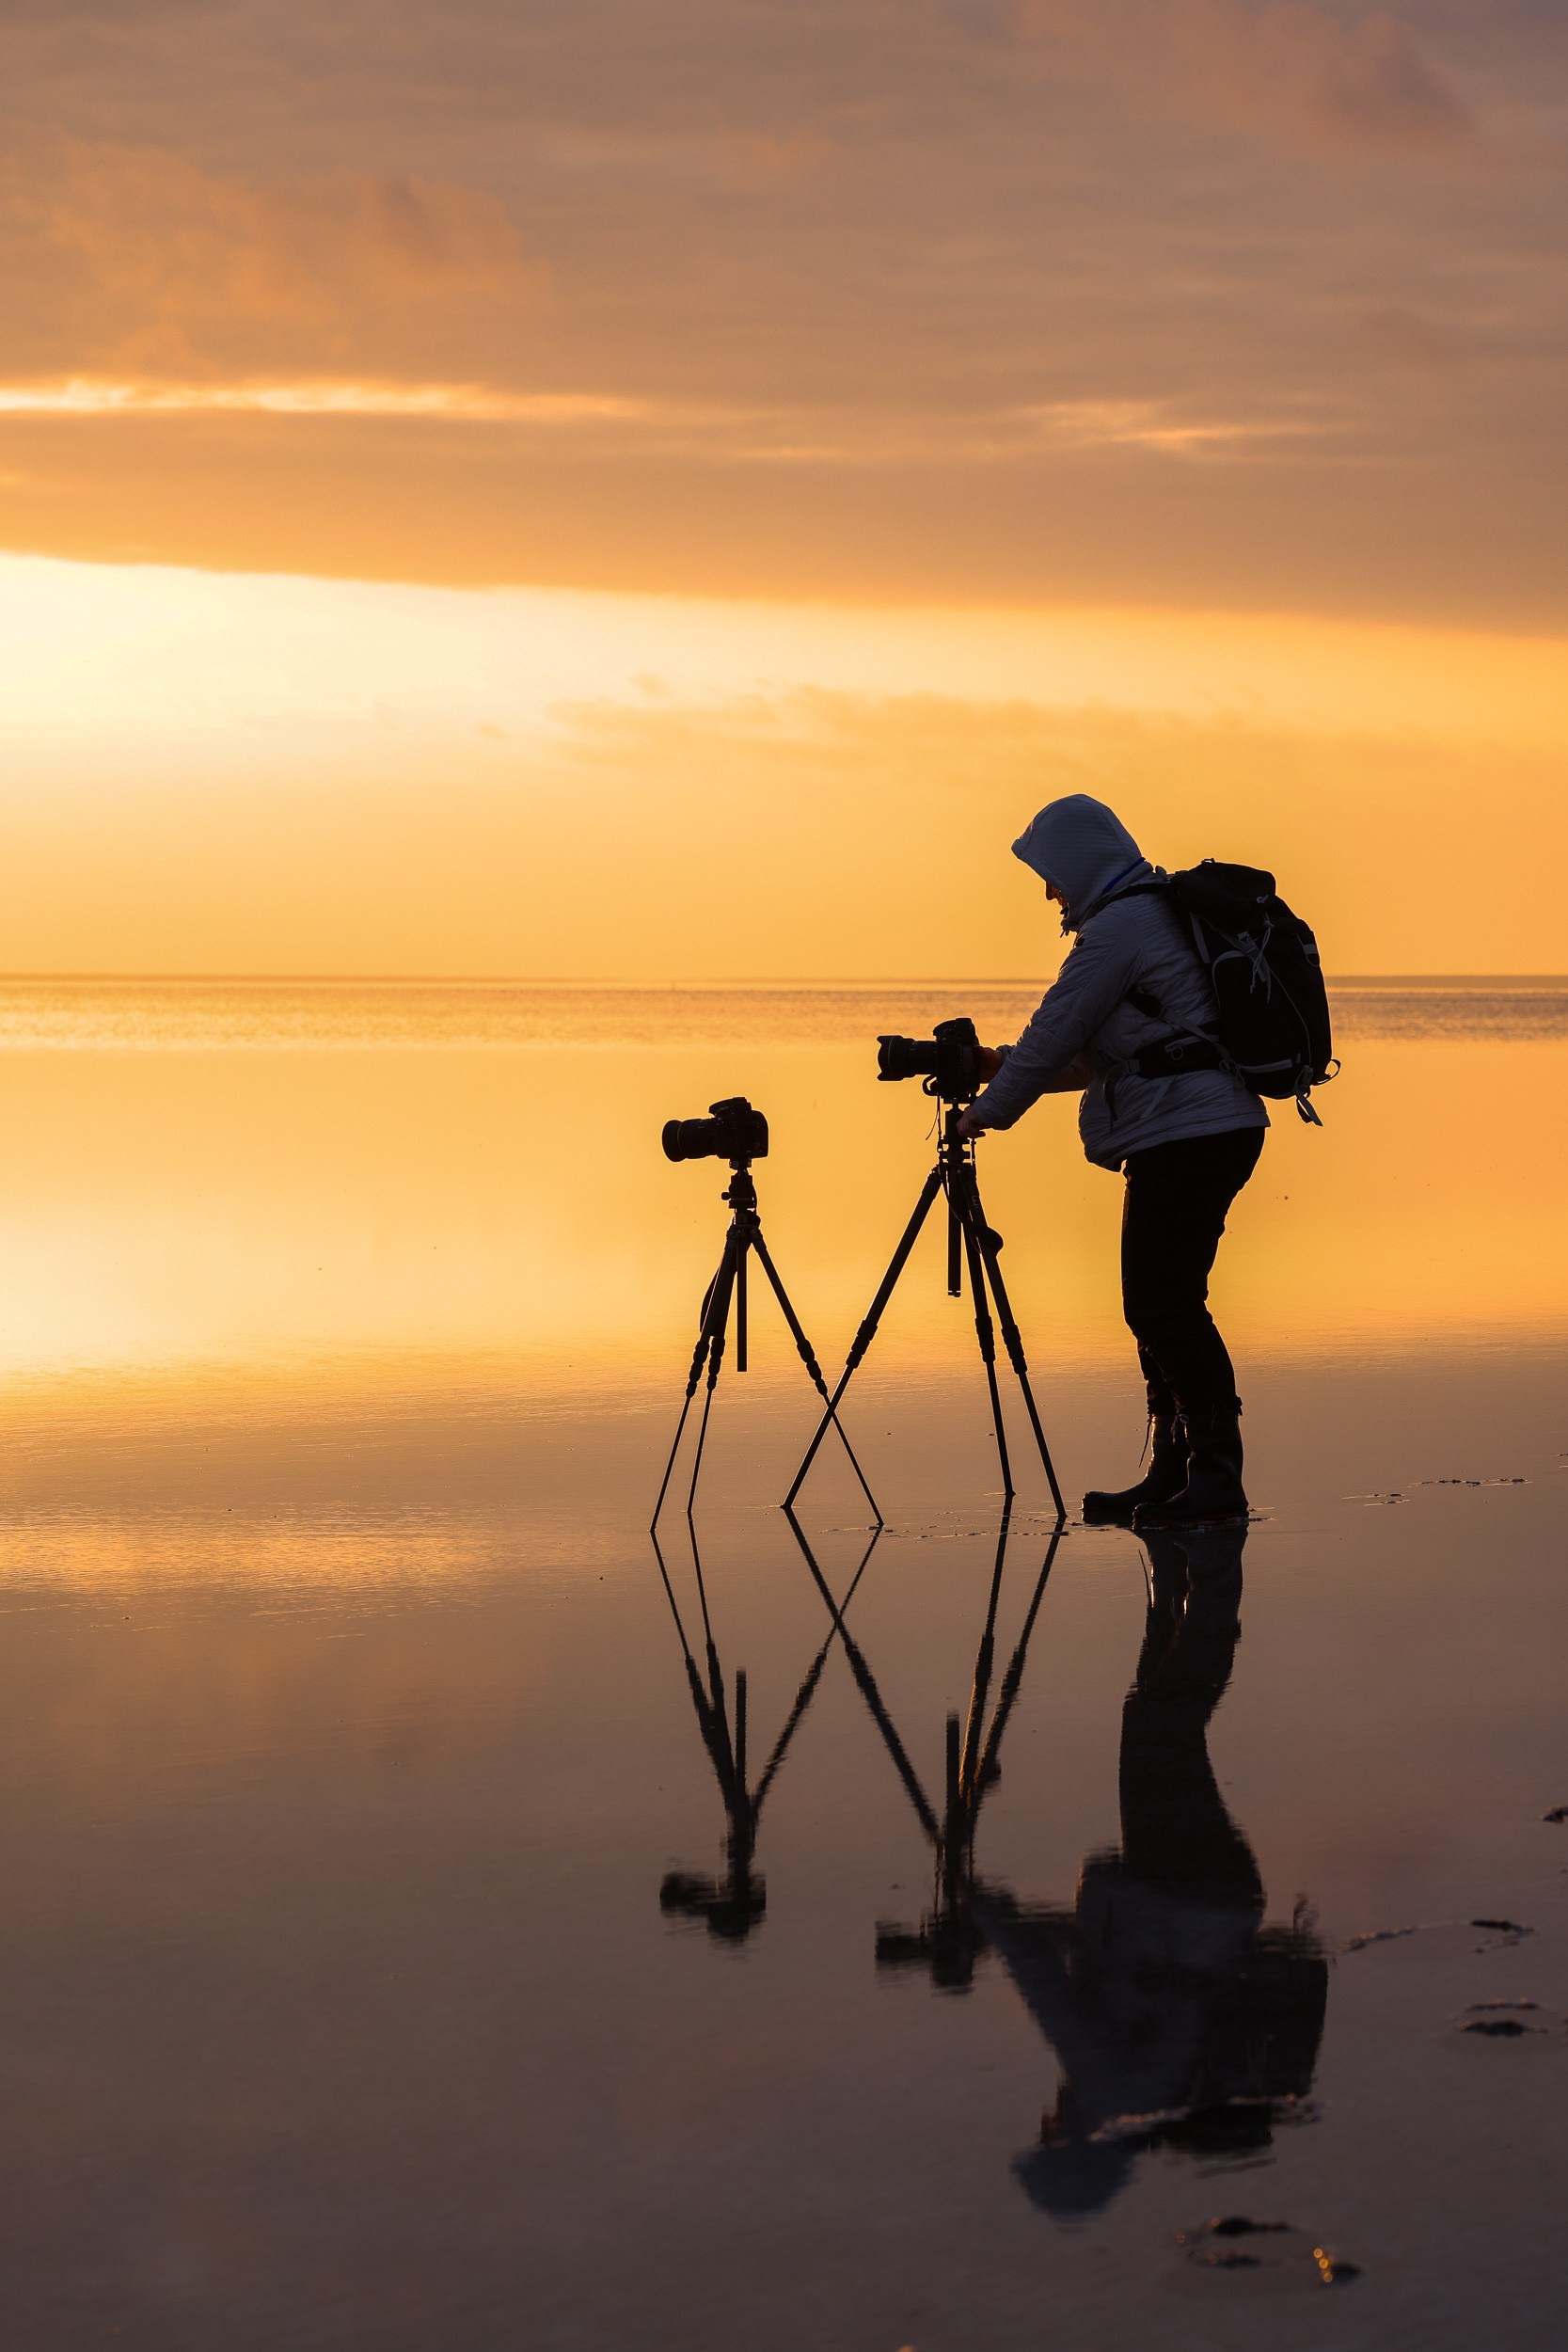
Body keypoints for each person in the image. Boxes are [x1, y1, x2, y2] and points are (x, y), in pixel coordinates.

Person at [956, 793, 1264, 1525]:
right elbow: (1108, 1053)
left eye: (1051, 873)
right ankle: (1172, 1473)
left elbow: (1054, 1030)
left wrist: (984, 1114)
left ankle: (1216, 1480)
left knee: (1162, 1305)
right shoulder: (1142, 918)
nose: (1048, 891)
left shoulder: (1121, 927)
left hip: (1191, 1134)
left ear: (1080, 863)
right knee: (1159, 1304)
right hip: (1192, 1129)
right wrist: (999, 1066)